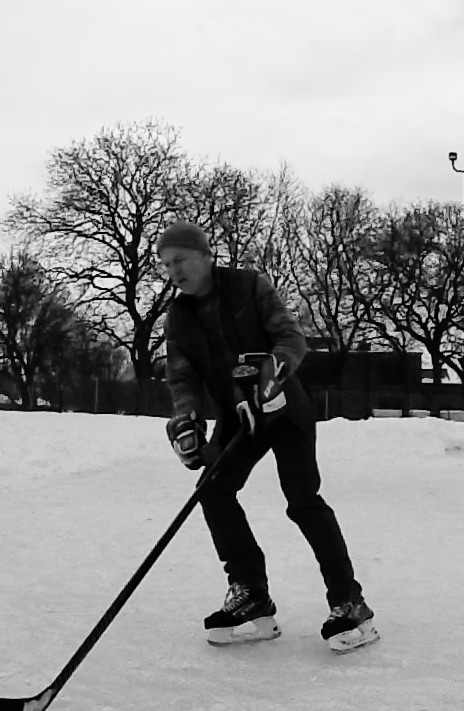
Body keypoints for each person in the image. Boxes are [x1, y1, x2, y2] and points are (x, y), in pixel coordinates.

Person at [157, 219, 378, 653]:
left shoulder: (248, 286)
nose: (174, 271)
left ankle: (349, 603)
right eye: (166, 265)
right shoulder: (178, 318)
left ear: (204, 254)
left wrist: (274, 368)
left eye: (180, 259)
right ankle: (250, 594)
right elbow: (181, 378)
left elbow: (291, 337)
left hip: (282, 406)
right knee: (214, 490)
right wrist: (186, 421)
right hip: (238, 415)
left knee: (302, 501)